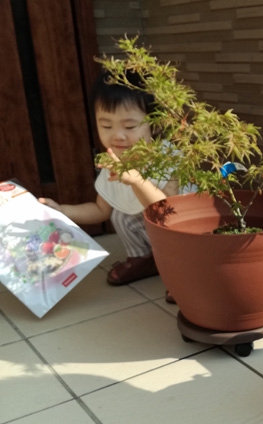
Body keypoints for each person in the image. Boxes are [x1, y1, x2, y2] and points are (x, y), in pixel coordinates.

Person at [39, 69, 178, 286]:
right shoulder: (113, 161)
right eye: (106, 126)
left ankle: (181, 271)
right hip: (155, 229)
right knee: (119, 215)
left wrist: (137, 180)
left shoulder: (167, 158)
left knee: (172, 231)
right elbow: (100, 210)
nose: (117, 135)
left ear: (156, 124)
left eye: (130, 126)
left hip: (180, 229)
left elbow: (167, 213)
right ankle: (143, 258)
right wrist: (61, 210)